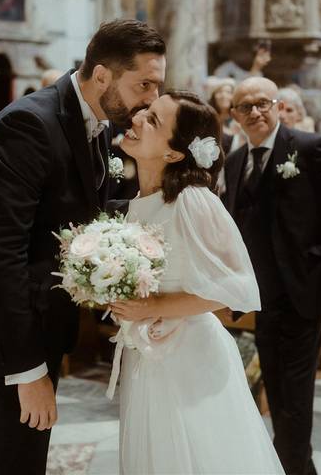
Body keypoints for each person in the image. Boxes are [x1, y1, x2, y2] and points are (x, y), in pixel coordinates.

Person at [0, 19, 166, 474]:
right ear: (102, 75)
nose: (152, 100)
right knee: (14, 459)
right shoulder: (27, 125)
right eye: (144, 84)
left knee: (23, 455)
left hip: (37, 317)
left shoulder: (96, 124)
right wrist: (26, 369)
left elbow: (81, 214)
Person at [107, 92, 284, 474]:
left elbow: (237, 288)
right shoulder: (137, 201)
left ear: (173, 153)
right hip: (147, 355)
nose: (137, 120)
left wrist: (152, 307)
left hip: (190, 358)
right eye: (145, 113)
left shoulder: (192, 199)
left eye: (153, 120)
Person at [223, 77, 321, 475]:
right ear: (234, 115)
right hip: (262, 298)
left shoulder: (309, 148)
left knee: (294, 400)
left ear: (276, 106)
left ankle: (289, 467)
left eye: (262, 103)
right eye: (245, 106)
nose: (255, 112)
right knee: (276, 394)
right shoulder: (237, 161)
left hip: (302, 294)